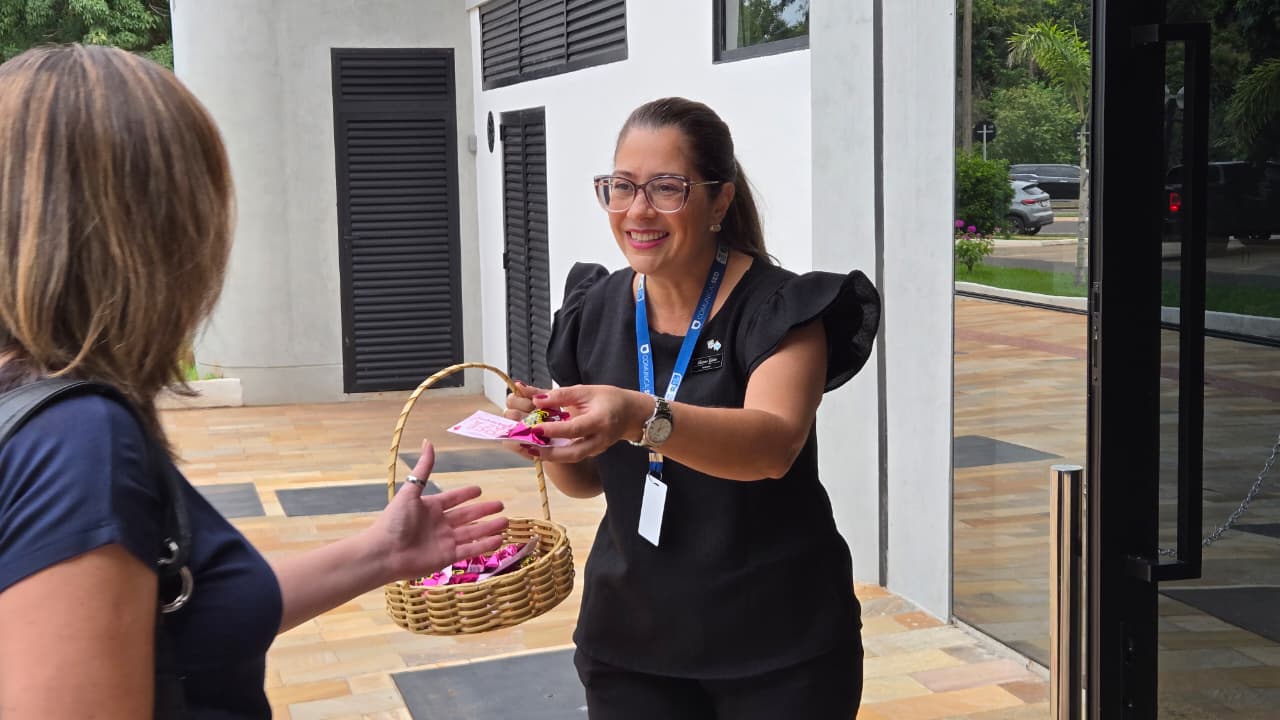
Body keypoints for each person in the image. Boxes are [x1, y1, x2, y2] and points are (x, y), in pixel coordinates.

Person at [0, 45, 507, 719]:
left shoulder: (38, 411)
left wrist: (379, 554)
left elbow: (184, 621)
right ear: (151, 228)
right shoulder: (77, 441)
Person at [504, 97, 881, 719]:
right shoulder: (592, 309)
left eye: (666, 188)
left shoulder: (781, 309)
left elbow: (771, 445)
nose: (637, 210)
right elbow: (585, 483)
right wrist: (546, 441)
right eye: (621, 187)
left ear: (720, 201)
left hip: (779, 647)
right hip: (632, 642)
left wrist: (636, 415)